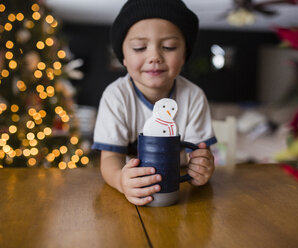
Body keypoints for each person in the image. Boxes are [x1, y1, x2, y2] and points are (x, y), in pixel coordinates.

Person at [92, 0, 217, 205]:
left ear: (184, 54)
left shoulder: (193, 96)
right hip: (134, 193)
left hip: (177, 192)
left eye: (169, 47)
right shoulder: (116, 96)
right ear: (123, 57)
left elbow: (199, 153)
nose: (154, 57)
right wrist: (121, 182)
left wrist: (202, 167)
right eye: (140, 47)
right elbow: (109, 159)